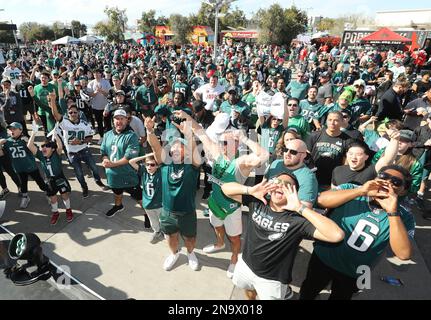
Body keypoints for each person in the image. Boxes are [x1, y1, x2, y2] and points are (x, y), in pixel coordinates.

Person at [174, 109, 269, 278]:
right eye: (222, 142)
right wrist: (187, 117)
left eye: (228, 143)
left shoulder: (241, 163)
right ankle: (219, 243)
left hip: (232, 208)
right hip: (215, 203)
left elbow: (264, 155)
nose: (224, 146)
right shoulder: (218, 155)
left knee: (234, 238)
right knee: (217, 226)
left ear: (236, 145)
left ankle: (234, 258)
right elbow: (200, 131)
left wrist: (245, 138)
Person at [221, 173, 344, 300]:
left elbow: (336, 235)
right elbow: (225, 189)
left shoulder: (298, 220)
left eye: (287, 185)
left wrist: (300, 207)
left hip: (272, 281)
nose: (280, 186)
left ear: (294, 193)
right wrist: (249, 190)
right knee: (248, 290)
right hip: (245, 266)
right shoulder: (257, 202)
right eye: (277, 182)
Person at [300, 165, 415, 300]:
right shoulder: (351, 189)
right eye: (384, 176)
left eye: (396, 182)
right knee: (308, 291)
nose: (388, 182)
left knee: (342, 297)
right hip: (323, 258)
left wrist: (392, 213)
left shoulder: (405, 216)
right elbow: (320, 200)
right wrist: (361, 191)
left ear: (403, 191)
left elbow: (403, 254)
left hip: (358, 272)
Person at [145, 115, 201, 271]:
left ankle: (191, 254)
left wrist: (188, 135)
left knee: (190, 238)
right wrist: (150, 131)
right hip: (168, 212)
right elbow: (156, 148)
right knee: (170, 237)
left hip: (187, 212)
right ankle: (175, 254)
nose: (175, 148)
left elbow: (194, 150)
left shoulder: (192, 166)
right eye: (173, 146)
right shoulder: (164, 165)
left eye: (179, 146)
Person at [49, 91, 106, 198]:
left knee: (94, 167)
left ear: (78, 113)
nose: (73, 114)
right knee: (79, 173)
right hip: (72, 153)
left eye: (75, 112)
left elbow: (90, 137)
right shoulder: (64, 122)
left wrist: (80, 141)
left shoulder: (85, 124)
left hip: (84, 150)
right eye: (71, 112)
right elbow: (55, 115)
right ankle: (84, 187)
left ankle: (98, 181)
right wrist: (52, 100)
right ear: (68, 113)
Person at [27, 123, 73, 225]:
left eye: (46, 146)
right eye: (42, 146)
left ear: (52, 149)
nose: (43, 148)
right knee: (53, 198)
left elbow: (60, 145)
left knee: (64, 195)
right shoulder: (41, 156)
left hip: (59, 177)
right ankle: (55, 213)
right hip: (49, 180)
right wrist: (34, 133)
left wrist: (55, 134)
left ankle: (68, 210)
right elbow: (30, 146)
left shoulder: (56, 154)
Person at [101, 109, 141, 217]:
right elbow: (103, 151)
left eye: (122, 119)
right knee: (117, 192)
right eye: (116, 119)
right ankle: (118, 206)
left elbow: (128, 158)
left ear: (127, 120)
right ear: (113, 121)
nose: (119, 121)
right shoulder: (107, 134)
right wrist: (105, 159)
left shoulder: (132, 136)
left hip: (128, 174)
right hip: (113, 175)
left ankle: (147, 213)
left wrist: (111, 165)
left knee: (139, 197)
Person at [0, 122, 47, 208]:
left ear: (20, 130)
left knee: (40, 183)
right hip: (19, 168)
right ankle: (25, 197)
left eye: (14, 129)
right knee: (23, 184)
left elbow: (34, 150)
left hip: (31, 166)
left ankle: (48, 193)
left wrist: (30, 140)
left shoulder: (25, 139)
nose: (11, 131)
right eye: (10, 129)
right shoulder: (7, 141)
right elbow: (1, 154)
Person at [332, 132, 400, 187]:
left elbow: (388, 159)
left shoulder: (372, 170)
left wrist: (395, 139)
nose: (353, 157)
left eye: (358, 154)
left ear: (366, 157)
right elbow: (333, 191)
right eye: (350, 153)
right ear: (346, 154)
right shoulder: (337, 170)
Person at [266, 139, 318, 209]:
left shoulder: (307, 177)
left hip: (286, 215)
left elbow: (305, 208)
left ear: (303, 155)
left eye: (293, 152)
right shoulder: (276, 164)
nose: (287, 153)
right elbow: (264, 184)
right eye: (285, 150)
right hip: (266, 207)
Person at [306, 111, 353, 189]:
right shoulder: (314, 136)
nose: (332, 123)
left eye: (336, 120)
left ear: (342, 122)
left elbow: (345, 165)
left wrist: (337, 183)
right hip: (312, 178)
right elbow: (306, 156)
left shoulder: (347, 140)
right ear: (326, 121)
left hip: (331, 182)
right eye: (330, 120)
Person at [373, 129, 423, 195]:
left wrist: (399, 189)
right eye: (398, 139)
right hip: (375, 188)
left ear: (411, 144)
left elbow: (414, 187)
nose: (399, 142)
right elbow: (372, 168)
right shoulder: (382, 152)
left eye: (404, 140)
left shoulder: (415, 163)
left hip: (395, 195)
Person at [129, 153, 164, 244]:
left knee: (163, 221)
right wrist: (146, 156)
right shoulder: (144, 171)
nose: (149, 167)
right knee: (153, 221)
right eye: (147, 164)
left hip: (160, 204)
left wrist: (156, 155)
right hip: (147, 204)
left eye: (152, 165)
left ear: (157, 166)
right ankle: (157, 232)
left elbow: (166, 162)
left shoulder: (160, 173)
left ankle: (166, 233)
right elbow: (131, 161)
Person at [87, 68, 111, 144]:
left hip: (105, 106)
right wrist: (96, 92)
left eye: (98, 73)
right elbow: (90, 94)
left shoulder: (106, 82)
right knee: (99, 122)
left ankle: (109, 137)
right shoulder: (91, 83)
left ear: (101, 74)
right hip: (96, 107)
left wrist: (101, 91)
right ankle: (101, 137)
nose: (96, 75)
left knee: (107, 123)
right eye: (94, 73)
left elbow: (109, 94)